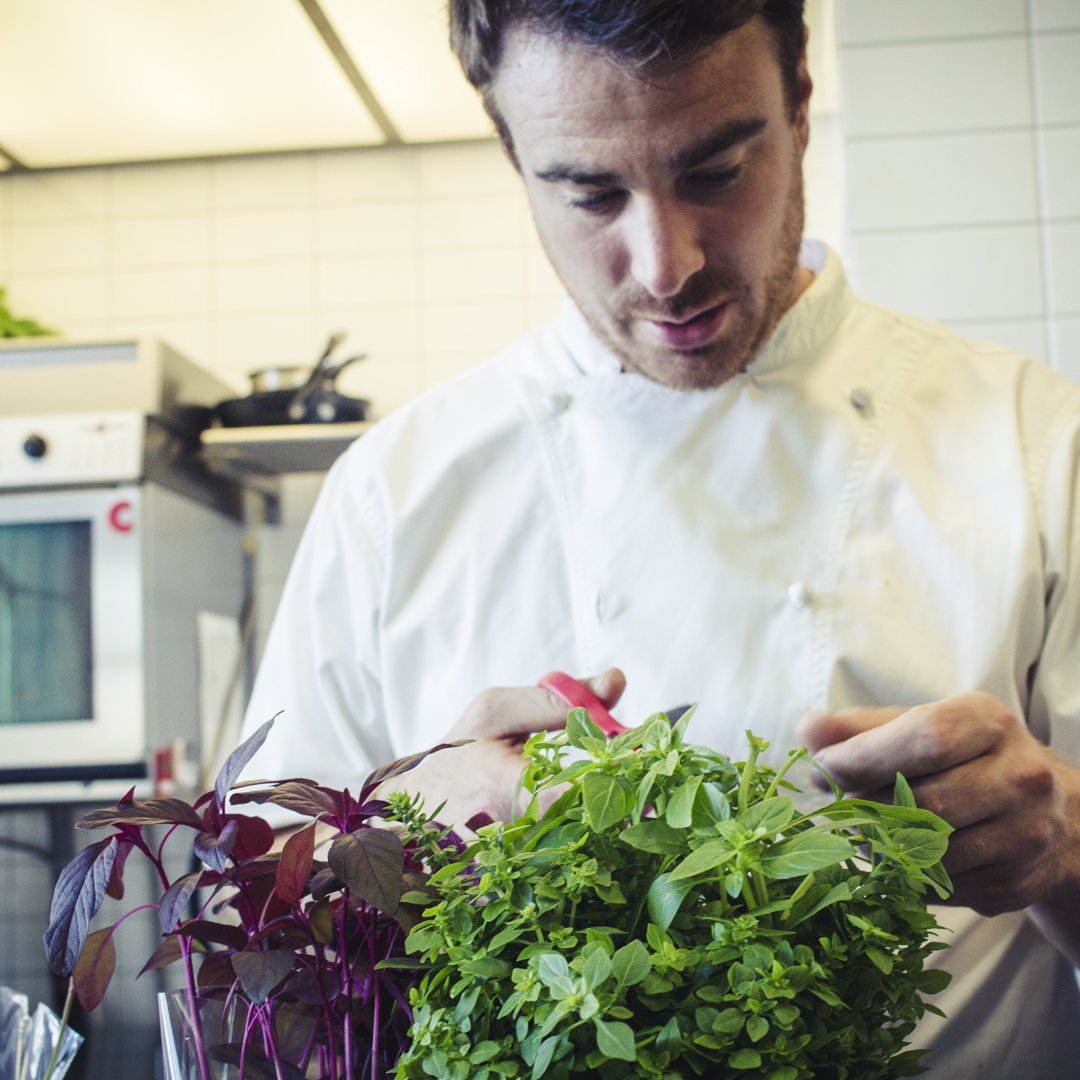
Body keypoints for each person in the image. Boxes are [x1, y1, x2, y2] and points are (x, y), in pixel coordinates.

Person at [239, 1, 1080, 1074]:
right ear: (513, 156)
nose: (666, 264)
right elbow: (258, 951)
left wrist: (1066, 845)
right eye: (591, 192)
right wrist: (393, 843)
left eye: (718, 171)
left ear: (801, 111)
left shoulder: (1036, 445)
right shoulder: (394, 493)